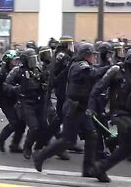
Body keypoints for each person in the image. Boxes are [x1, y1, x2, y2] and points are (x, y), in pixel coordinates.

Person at [33, 42, 109, 176]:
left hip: (82, 107)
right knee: (68, 140)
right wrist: (110, 68)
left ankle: (88, 168)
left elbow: (95, 71)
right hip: (73, 108)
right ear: (85, 55)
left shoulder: (85, 65)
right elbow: (93, 73)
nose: (94, 58)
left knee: (92, 135)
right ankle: (40, 156)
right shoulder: (78, 66)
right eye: (92, 55)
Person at [89, 47, 131, 185]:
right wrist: (91, 108)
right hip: (118, 114)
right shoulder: (116, 71)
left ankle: (100, 168)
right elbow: (98, 88)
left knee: (126, 149)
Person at [4, 48, 47, 160]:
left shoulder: (38, 69)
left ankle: (39, 147)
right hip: (25, 102)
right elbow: (6, 85)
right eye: (31, 59)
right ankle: (27, 147)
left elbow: (45, 81)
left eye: (35, 58)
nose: (34, 61)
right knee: (34, 127)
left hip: (38, 101)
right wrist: (16, 89)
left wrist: (45, 86)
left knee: (43, 126)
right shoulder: (17, 71)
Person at [0, 51, 25, 153]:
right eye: (14, 60)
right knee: (14, 122)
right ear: (8, 61)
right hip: (5, 100)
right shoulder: (0, 72)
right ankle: (0, 139)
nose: (17, 63)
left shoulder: (19, 71)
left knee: (22, 122)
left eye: (18, 60)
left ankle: (15, 144)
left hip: (17, 99)